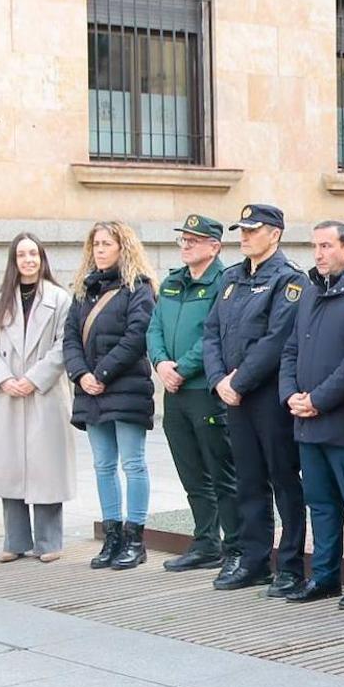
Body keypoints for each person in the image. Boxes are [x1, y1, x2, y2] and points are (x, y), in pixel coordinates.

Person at [203, 204, 307, 595]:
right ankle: (254, 560)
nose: (244, 236)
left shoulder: (288, 281)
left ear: (275, 234)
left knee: (283, 480)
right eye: (242, 230)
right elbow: (211, 331)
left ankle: (291, 565)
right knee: (248, 481)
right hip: (234, 397)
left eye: (253, 230)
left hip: (266, 396)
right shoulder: (231, 278)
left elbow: (277, 339)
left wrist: (240, 380)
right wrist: (218, 381)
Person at [279, 221, 344, 607]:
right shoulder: (309, 289)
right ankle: (324, 576)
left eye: (326, 245)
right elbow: (291, 348)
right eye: (314, 246)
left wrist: (318, 399)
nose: (318, 253)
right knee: (320, 504)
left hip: (343, 423)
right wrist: (290, 394)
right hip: (306, 420)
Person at [63, 221, 158, 571]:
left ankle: (135, 538)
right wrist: (81, 374)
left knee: (132, 463)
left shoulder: (139, 289)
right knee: (103, 466)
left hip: (125, 388)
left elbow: (137, 337)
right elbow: (70, 337)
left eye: (106, 243)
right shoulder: (84, 290)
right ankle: (112, 537)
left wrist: (101, 374)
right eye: (96, 244)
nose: (100, 250)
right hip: (91, 391)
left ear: (124, 247)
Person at [147, 214, 238, 573]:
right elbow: (154, 327)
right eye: (183, 240)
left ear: (214, 246)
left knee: (221, 472)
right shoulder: (172, 282)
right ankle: (205, 543)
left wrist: (182, 368)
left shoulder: (224, 282)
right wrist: (160, 364)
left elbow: (215, 336)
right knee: (191, 473)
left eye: (193, 240)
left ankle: (234, 546)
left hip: (204, 389)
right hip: (175, 392)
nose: (186, 245)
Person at [0, 233, 75, 564]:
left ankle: (49, 542)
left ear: (42, 258)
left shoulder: (60, 299)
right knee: (10, 469)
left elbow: (65, 344)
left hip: (43, 393)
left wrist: (33, 379)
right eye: (22, 254)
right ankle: (14, 540)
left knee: (45, 468)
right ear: (13, 260)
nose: (28, 259)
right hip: (7, 393)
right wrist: (4, 379)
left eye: (33, 253)